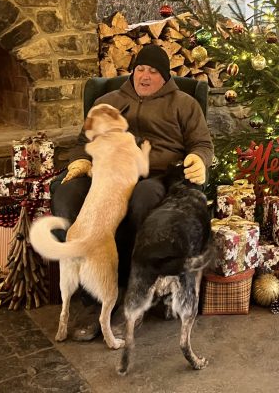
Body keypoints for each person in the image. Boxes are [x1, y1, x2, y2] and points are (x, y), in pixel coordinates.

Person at [51, 44, 213, 340]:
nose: (145, 76)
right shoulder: (108, 101)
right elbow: (83, 140)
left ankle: (130, 294)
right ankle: (90, 297)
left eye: (153, 72)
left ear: (165, 76)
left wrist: (198, 160)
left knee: (143, 198)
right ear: (133, 71)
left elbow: (202, 143)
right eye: (140, 69)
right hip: (106, 174)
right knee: (66, 192)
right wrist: (80, 160)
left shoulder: (184, 104)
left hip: (156, 175)